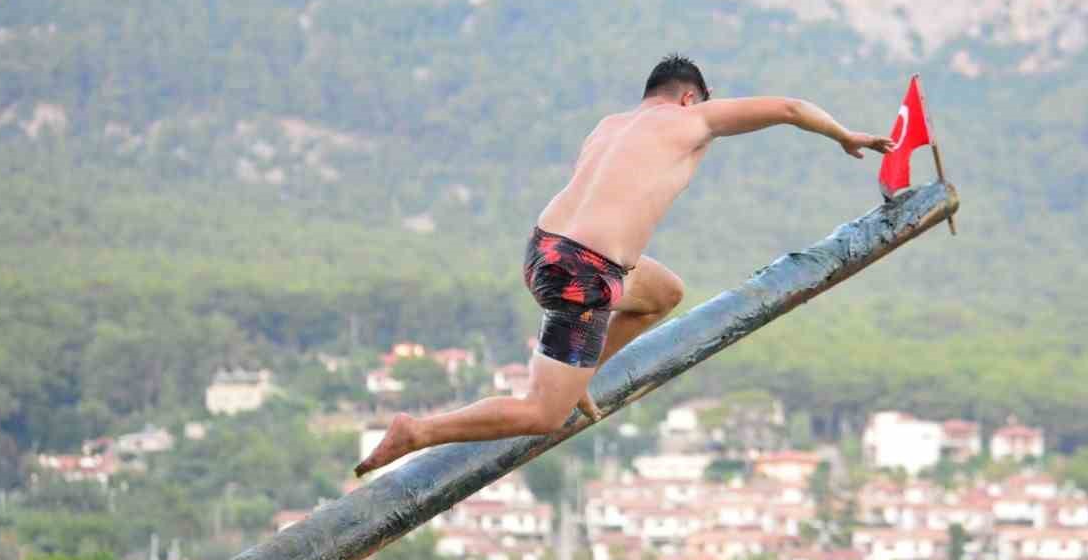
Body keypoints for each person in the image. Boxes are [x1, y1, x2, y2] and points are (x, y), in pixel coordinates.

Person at [355, 54, 893, 476]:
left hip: (545, 249)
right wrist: (845, 134)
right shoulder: (694, 118)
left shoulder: (608, 125)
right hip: (585, 275)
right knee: (543, 415)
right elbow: (791, 108)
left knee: (662, 293)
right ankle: (419, 431)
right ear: (689, 97)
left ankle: (582, 376)